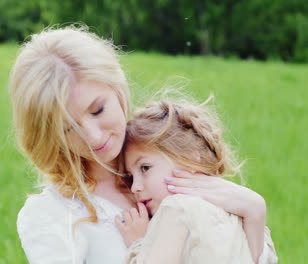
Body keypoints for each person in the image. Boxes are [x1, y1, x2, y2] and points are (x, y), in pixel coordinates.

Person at [9, 25, 275, 264]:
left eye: (98, 109)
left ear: (117, 88)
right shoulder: (53, 214)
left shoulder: (167, 165)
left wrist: (254, 212)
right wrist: (147, 245)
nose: (93, 137)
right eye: (68, 128)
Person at [115, 99, 278, 263]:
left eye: (145, 168)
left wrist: (139, 243)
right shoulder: (236, 217)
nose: (135, 187)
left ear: (189, 160)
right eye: (130, 177)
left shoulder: (176, 208)